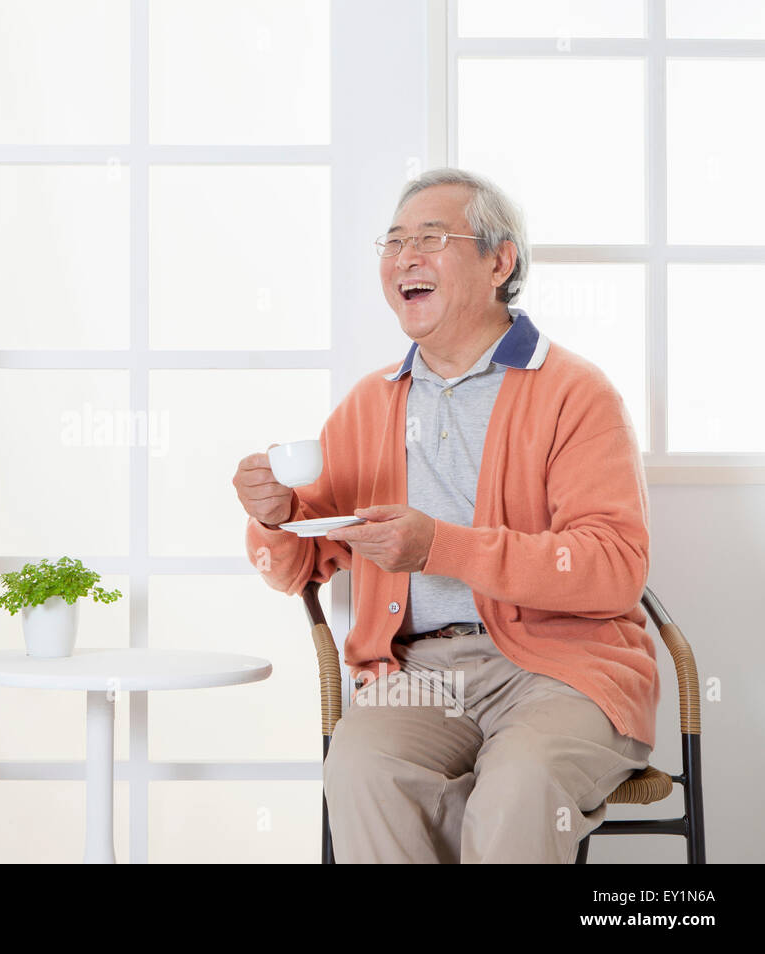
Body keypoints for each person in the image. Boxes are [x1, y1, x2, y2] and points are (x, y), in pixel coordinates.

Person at [232, 168, 658, 863]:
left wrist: (440, 547)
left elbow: (613, 568)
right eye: (393, 242)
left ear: (500, 261)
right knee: (361, 770)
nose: (406, 257)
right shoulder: (372, 404)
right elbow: (296, 568)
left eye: (431, 238)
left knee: (516, 787)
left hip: (564, 670)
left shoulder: (576, 394)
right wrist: (272, 517)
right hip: (418, 671)